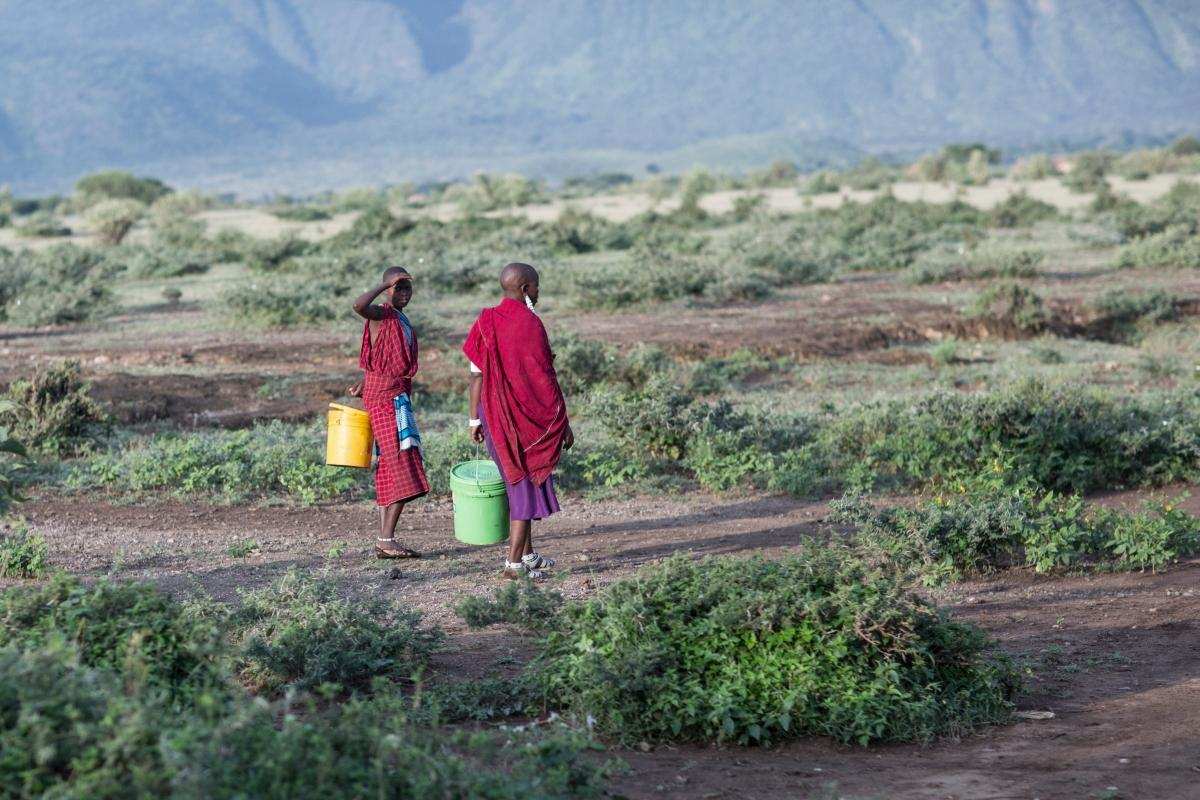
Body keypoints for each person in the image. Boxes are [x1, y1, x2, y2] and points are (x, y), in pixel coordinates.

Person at [463, 262, 574, 580]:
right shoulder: (531, 324)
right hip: (524, 418)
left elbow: (475, 375)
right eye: (536, 287)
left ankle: (527, 556)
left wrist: (474, 420)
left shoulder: (485, 320)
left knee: (518, 480)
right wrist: (561, 421)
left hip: (492, 414)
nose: (539, 292)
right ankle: (512, 566)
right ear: (525, 288)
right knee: (522, 485)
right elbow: (544, 379)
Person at [348, 266, 429, 558]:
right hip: (386, 399)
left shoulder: (401, 318)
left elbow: (383, 360)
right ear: (387, 289)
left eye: (408, 288)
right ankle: (386, 539)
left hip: (392, 393)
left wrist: (366, 381)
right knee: (400, 462)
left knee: (390, 462)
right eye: (399, 288)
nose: (404, 294)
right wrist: (384, 286)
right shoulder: (381, 312)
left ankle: (385, 539)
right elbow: (358, 305)